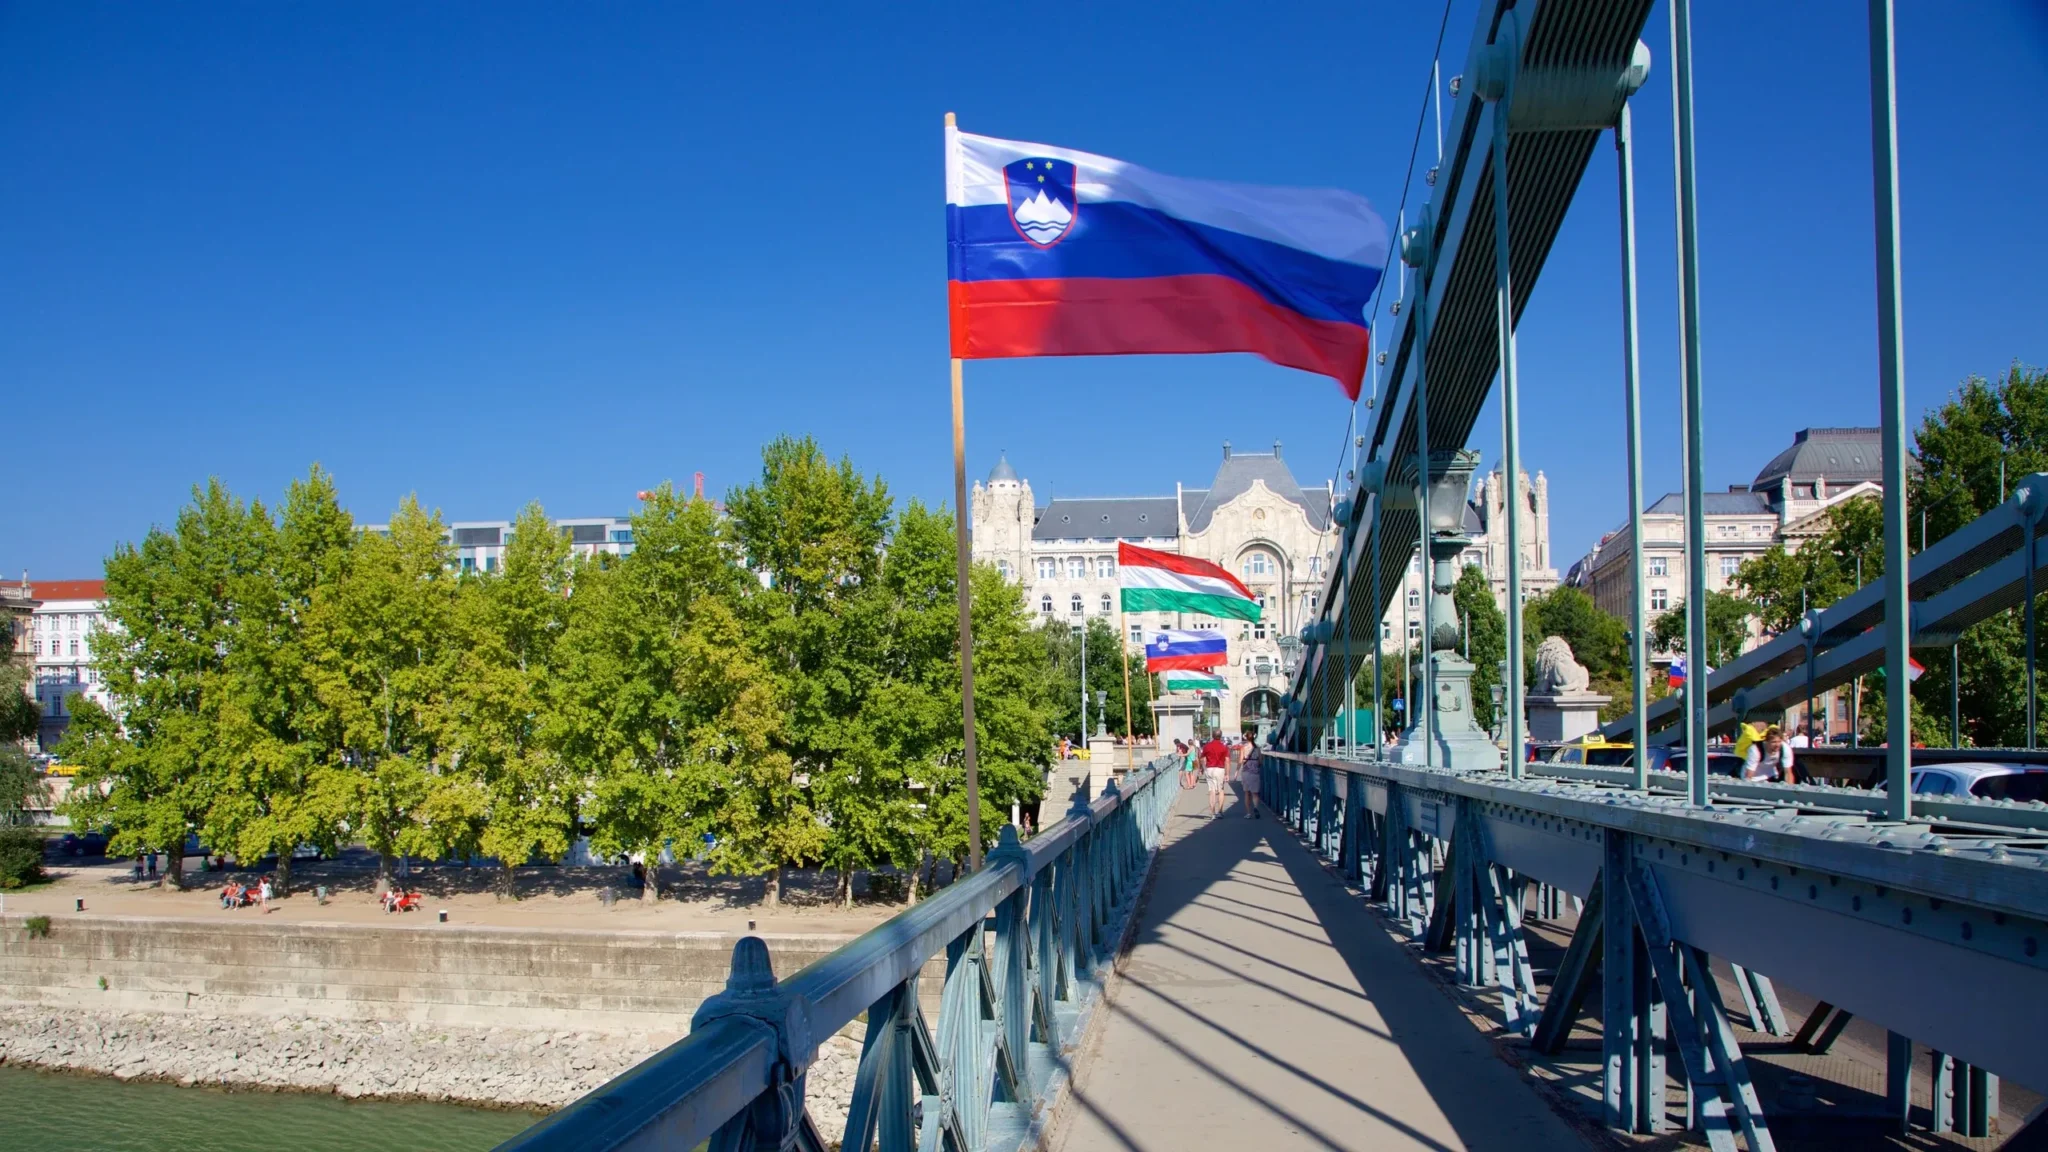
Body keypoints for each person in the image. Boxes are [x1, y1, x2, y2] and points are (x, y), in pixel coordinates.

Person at [1201, 733, 1229, 816]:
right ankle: (1220, 812)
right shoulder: (1224, 747)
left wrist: (1203, 768)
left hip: (1209, 769)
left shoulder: (1207, 746)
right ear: (1220, 736)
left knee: (1212, 791)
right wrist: (1227, 773)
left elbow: (1202, 758)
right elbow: (1227, 760)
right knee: (1221, 790)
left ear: (1212, 736)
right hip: (1220, 769)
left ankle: (1212, 813)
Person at [1240, 742, 1263, 817]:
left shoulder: (1244, 747)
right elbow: (1260, 761)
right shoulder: (1258, 748)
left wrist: (1237, 770)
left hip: (1246, 772)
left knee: (1247, 793)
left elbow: (1240, 760)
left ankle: (1248, 813)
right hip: (1255, 772)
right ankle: (1256, 807)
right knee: (1255, 793)